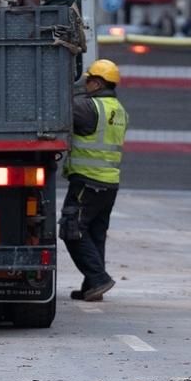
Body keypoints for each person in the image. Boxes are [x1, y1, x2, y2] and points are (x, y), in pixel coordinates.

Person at [62, 59, 126, 302]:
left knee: (72, 230)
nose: (85, 84)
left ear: (97, 83)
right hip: (109, 183)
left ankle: (98, 278)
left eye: (88, 80)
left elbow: (63, 103)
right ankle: (91, 287)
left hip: (88, 182)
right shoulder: (118, 110)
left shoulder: (90, 108)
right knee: (95, 234)